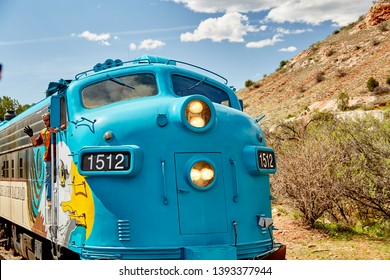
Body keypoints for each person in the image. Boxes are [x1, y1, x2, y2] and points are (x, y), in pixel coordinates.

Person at [23, 113, 57, 205]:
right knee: (48, 178)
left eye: (47, 120)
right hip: (48, 158)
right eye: (44, 121)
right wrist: (31, 135)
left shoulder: (57, 129)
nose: (45, 122)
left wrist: (56, 130)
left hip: (58, 156)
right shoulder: (43, 132)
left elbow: (65, 127)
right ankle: (49, 198)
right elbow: (35, 143)